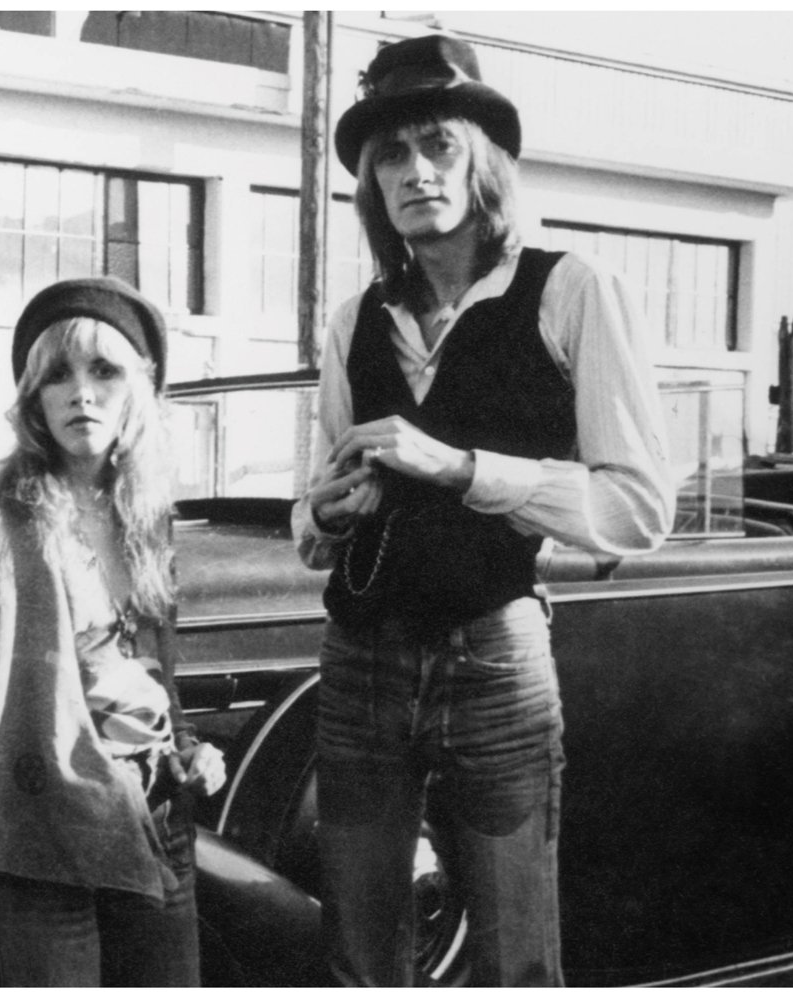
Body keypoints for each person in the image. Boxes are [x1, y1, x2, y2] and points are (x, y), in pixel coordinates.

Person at [292, 35, 675, 987]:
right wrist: (332, 512)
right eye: (390, 156)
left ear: (485, 160)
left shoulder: (572, 290)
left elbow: (637, 509)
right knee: (358, 966)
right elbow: (310, 527)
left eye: (439, 146)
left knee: (515, 964)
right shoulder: (353, 321)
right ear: (371, 187)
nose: (416, 172)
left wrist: (462, 468)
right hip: (360, 669)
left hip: (495, 658)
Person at [0, 276, 226, 987]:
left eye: (104, 371)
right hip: (42, 843)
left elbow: (149, 682)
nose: (82, 392)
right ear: (34, 400)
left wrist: (190, 749)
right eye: (58, 375)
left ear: (138, 390)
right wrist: (34, 763)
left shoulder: (146, 518)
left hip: (156, 822)